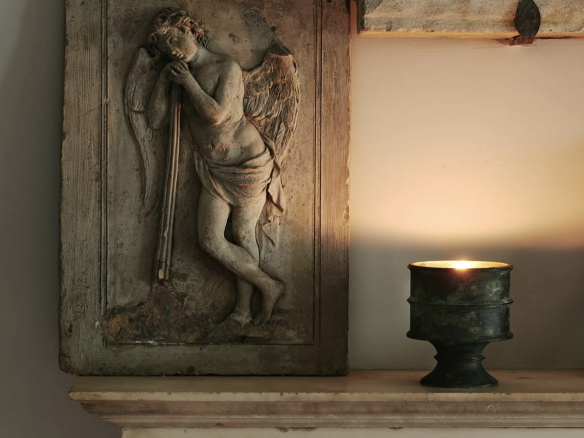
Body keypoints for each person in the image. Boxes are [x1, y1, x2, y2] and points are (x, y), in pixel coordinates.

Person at [147, 8, 285, 327]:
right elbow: (155, 120)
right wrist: (163, 81)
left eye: (174, 39)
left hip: (247, 163)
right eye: (165, 47)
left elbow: (217, 116)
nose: (171, 49)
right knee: (209, 239)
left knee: (242, 233)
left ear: (190, 30)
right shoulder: (178, 74)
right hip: (213, 168)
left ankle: (242, 311)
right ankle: (269, 286)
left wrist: (188, 82)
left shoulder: (225, 67)